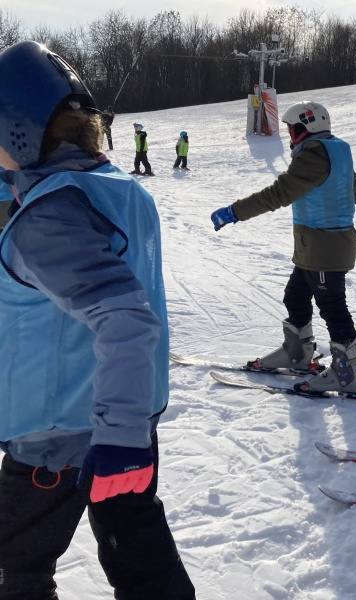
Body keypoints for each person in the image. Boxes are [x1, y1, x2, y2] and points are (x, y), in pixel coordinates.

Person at [0, 41, 195, 600]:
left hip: (59, 434)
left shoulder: (47, 219)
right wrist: (128, 433)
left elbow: (125, 318)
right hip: (124, 416)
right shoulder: (113, 187)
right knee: (139, 556)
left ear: (19, 128)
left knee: (15, 568)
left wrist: (120, 439)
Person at [210, 100, 356, 394]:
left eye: (293, 129)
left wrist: (234, 212)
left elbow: (279, 193)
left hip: (324, 247)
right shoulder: (335, 150)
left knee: (333, 307)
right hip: (313, 246)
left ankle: (348, 373)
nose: (290, 135)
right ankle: (297, 354)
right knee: (295, 296)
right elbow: (355, 185)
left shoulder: (314, 156)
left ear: (307, 127)